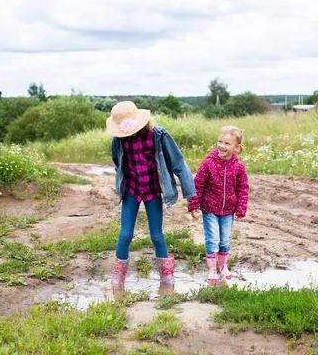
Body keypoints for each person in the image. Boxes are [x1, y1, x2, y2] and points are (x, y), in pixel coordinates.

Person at [107, 101, 196, 295]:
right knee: (125, 234)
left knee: (156, 235)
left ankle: (167, 281)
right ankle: (117, 282)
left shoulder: (158, 135)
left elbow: (179, 164)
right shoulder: (118, 140)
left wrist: (191, 196)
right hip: (131, 189)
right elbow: (118, 162)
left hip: (153, 189)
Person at [187, 126, 249, 283]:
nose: (222, 146)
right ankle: (211, 269)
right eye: (220, 141)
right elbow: (198, 185)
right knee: (213, 238)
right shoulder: (208, 163)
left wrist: (241, 207)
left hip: (228, 210)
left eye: (227, 143)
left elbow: (242, 188)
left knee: (225, 240)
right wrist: (194, 205)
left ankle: (223, 266)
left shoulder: (239, 167)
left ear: (237, 147)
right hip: (209, 209)